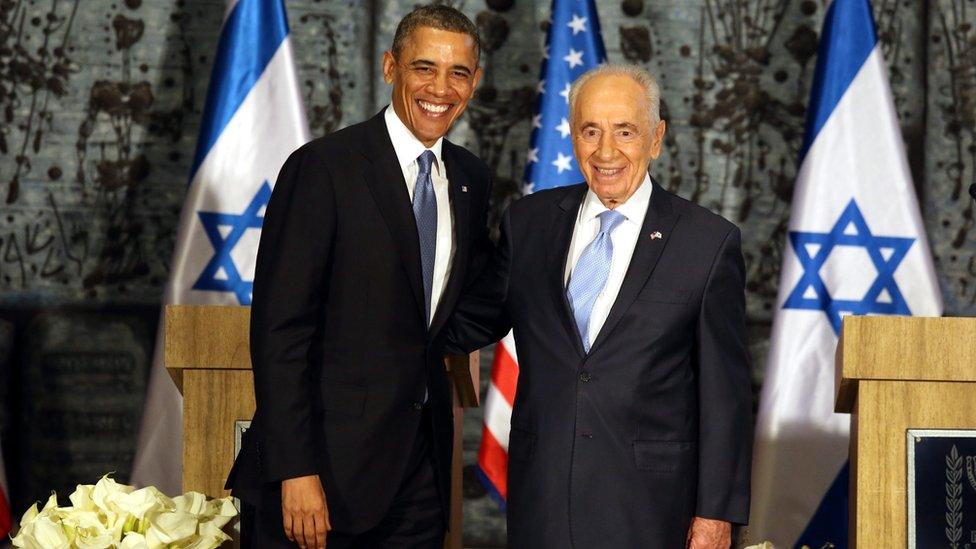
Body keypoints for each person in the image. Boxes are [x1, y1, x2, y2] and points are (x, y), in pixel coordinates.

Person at [447, 65, 753, 548]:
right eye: (591, 131)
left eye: (625, 132)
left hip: (651, 507)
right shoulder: (530, 222)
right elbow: (471, 320)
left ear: (656, 138)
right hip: (543, 496)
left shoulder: (707, 243)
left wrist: (717, 513)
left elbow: (725, 395)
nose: (606, 152)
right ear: (572, 137)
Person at [225, 5, 491, 548]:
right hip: (320, 479)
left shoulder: (469, 178)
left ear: (475, 82)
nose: (441, 88)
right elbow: (281, 332)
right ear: (390, 66)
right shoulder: (323, 169)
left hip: (420, 478)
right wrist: (294, 472)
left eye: (458, 72)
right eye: (424, 68)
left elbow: (453, 311)